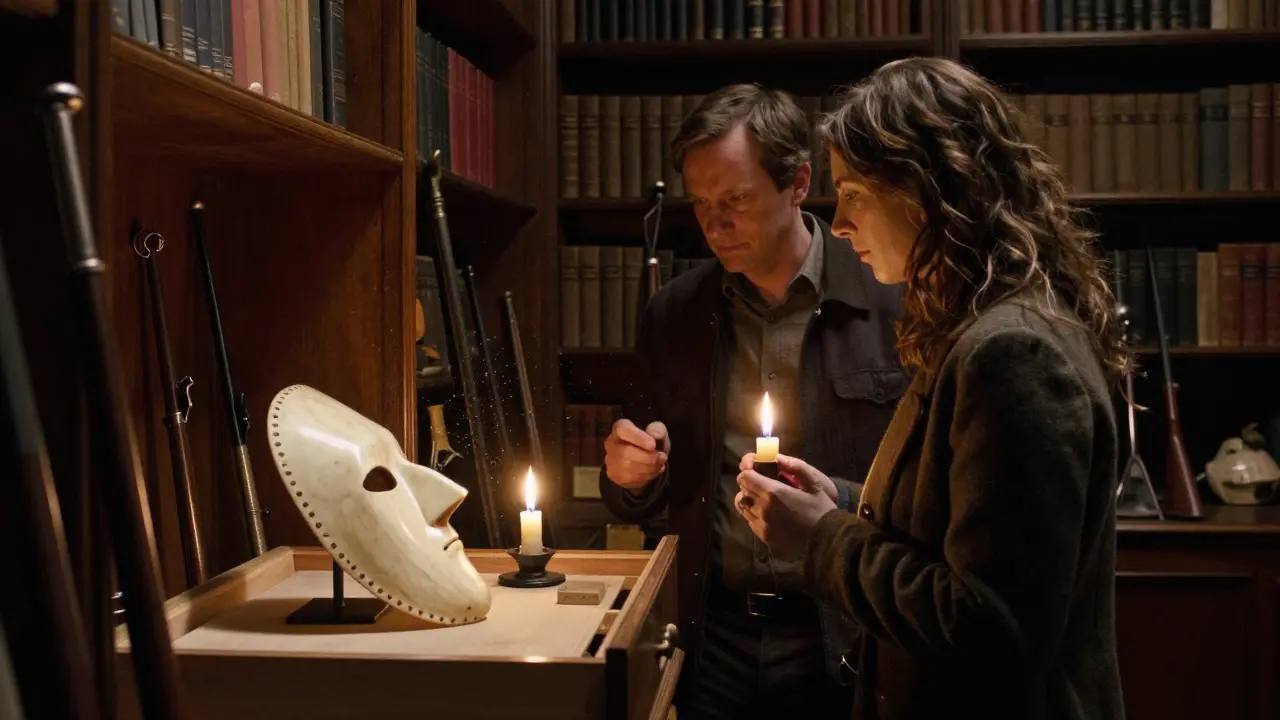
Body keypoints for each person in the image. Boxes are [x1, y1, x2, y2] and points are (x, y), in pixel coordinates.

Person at [733, 57, 1129, 720]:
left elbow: (991, 625)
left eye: (854, 192)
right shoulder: (975, 326)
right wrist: (842, 502)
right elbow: (955, 528)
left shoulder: (1014, 352)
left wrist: (823, 537)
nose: (840, 223)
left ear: (925, 189)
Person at [598, 83, 905, 719]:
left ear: (797, 182)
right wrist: (628, 476)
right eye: (701, 203)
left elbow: (922, 498)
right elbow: (642, 492)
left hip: (846, 630)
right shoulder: (674, 314)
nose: (715, 225)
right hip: (713, 636)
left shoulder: (892, 301)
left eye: (736, 199)